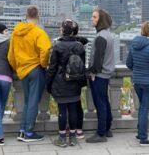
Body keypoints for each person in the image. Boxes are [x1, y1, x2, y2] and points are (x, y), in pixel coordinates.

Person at [7, 6, 51, 142]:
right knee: (33, 101)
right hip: (35, 69)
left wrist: (17, 68)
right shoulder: (39, 33)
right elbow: (46, 50)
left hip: (23, 71)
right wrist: (43, 65)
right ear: (37, 17)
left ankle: (22, 130)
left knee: (27, 101)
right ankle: (29, 132)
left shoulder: (15, 33)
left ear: (26, 16)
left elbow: (10, 56)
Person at [47, 19, 88, 147]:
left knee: (62, 109)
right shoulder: (79, 46)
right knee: (73, 109)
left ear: (63, 30)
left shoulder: (57, 46)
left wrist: (48, 83)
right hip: (75, 81)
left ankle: (62, 138)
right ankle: (73, 138)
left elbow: (52, 67)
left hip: (60, 82)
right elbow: (82, 66)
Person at [126, 21, 149, 147]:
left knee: (143, 108)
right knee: (145, 109)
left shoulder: (134, 45)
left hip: (138, 82)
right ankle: (143, 138)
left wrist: (139, 72)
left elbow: (129, 64)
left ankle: (139, 133)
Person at [86, 9, 114, 143]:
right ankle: (108, 128)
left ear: (100, 20)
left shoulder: (100, 37)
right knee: (105, 101)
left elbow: (98, 59)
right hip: (106, 74)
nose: (92, 19)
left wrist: (91, 72)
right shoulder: (108, 35)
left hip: (99, 75)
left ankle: (101, 133)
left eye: (94, 17)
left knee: (100, 103)